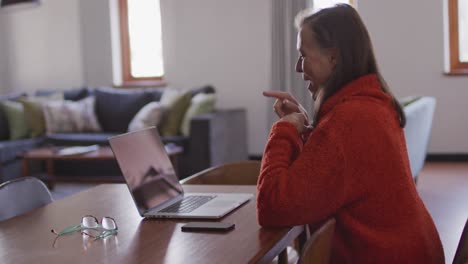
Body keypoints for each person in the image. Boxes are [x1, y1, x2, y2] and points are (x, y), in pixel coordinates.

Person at [257, 4, 444, 263]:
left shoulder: (348, 121)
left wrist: (284, 129)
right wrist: (308, 131)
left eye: (304, 55)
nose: (299, 67)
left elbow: (272, 206)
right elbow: (332, 176)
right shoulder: (369, 105)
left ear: (334, 58)